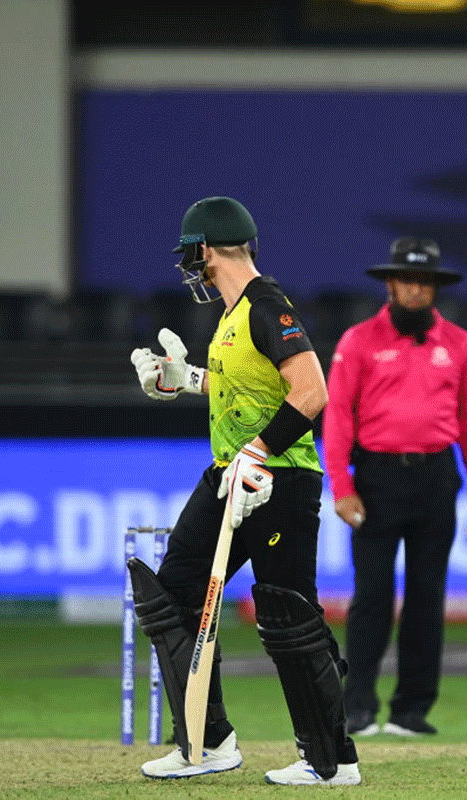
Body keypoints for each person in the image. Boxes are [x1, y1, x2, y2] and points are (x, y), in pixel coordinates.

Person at [126, 196, 361, 786]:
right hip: (230, 474)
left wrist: (259, 452)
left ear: (207, 249)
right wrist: (185, 381)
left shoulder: (266, 306)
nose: (190, 269)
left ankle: (331, 763)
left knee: (289, 615)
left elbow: (311, 391)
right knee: (171, 596)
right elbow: (243, 391)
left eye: (191, 257)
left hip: (280, 480)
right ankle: (206, 742)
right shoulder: (231, 316)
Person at [323, 237, 467, 738]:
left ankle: (411, 710)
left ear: (435, 287)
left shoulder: (461, 345)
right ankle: (357, 708)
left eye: (426, 281)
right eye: (408, 280)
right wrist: (341, 485)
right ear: (391, 284)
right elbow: (338, 418)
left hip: (437, 478)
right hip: (376, 479)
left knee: (426, 596)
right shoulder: (357, 341)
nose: (417, 289)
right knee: (371, 597)